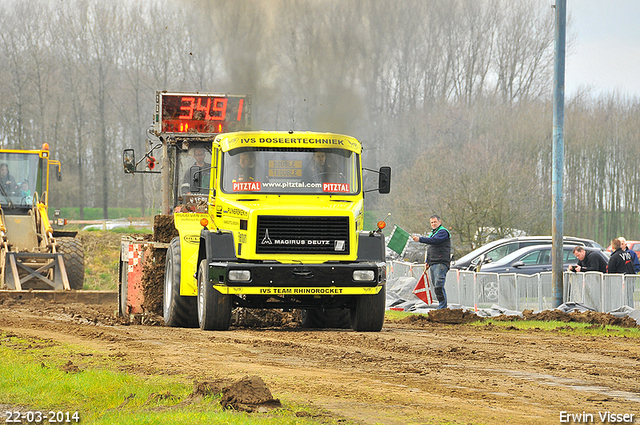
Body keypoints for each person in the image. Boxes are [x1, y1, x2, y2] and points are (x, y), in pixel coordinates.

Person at [412, 215, 451, 309]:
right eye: (432, 222)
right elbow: (430, 248)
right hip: (433, 262)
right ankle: (441, 306)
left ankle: (442, 307)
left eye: (435, 222)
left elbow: (435, 241)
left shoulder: (443, 232)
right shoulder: (433, 233)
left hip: (441, 262)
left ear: (439, 222)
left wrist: (420, 239)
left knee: (439, 285)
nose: (433, 224)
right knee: (436, 286)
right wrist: (427, 261)